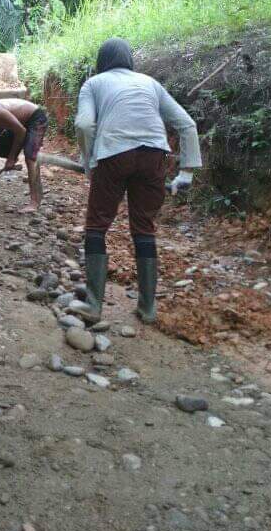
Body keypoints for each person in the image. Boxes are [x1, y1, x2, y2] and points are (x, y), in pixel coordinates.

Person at [74, 38, 202, 325]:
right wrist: (186, 173)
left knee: (97, 226)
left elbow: (84, 124)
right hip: (154, 155)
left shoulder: (93, 84)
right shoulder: (150, 83)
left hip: (113, 154)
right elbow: (187, 125)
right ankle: (147, 308)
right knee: (144, 228)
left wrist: (89, 162)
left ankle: (94, 305)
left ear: (101, 61)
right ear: (130, 59)